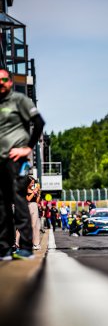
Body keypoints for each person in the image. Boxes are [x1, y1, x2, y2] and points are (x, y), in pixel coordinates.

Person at [0, 69, 45, 261]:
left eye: (3, 79)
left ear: (10, 82)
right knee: (2, 206)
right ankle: (6, 248)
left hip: (16, 160)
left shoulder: (20, 100)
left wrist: (27, 148)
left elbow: (39, 122)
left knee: (19, 201)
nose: (0, 83)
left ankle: (26, 247)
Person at [26, 176, 41, 250]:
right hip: (28, 207)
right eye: (31, 183)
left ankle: (36, 243)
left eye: (33, 183)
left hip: (35, 207)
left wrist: (38, 193)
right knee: (31, 226)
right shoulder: (24, 190)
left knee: (36, 226)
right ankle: (30, 243)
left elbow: (37, 201)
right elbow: (28, 199)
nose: (32, 184)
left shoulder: (33, 190)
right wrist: (34, 192)